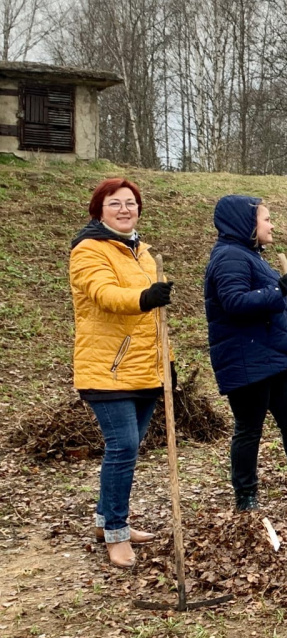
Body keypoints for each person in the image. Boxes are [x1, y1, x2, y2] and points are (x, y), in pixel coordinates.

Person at [70, 178, 173, 568]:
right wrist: (144, 298)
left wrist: (168, 362)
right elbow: (104, 294)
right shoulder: (88, 250)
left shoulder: (142, 253)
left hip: (145, 369)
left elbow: (155, 322)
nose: (125, 209)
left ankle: (105, 522)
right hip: (106, 369)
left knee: (128, 450)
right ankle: (115, 532)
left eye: (131, 203)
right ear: (99, 210)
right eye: (115, 203)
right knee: (123, 447)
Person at [204, 195, 287, 512]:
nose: (272, 225)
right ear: (246, 223)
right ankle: (246, 499)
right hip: (246, 360)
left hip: (274, 357)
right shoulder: (230, 257)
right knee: (249, 430)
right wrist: (277, 290)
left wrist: (277, 288)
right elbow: (235, 302)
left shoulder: (250, 255)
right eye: (266, 219)